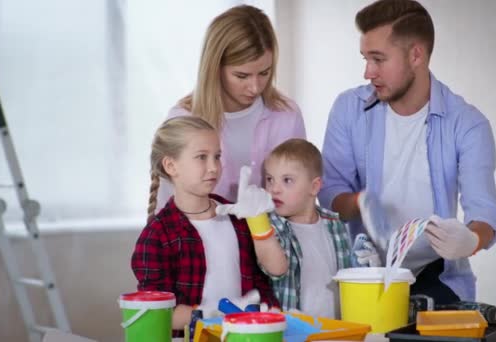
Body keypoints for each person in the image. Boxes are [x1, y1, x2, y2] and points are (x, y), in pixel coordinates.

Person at [319, 0, 496, 304]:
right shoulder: (348, 109)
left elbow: (485, 213)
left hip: (436, 275)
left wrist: (470, 241)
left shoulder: (468, 124)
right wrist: (359, 202)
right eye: (365, 58)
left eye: (378, 59)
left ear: (416, 54)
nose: (367, 72)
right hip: (363, 270)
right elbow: (329, 197)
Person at [131, 116, 283, 333]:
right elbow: (156, 313)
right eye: (201, 157)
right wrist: (210, 314)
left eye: (217, 156)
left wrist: (258, 220)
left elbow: (276, 270)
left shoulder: (237, 215)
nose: (214, 167)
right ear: (171, 165)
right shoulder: (157, 235)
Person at [156, 4, 306, 211]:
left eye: (264, 73)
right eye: (242, 76)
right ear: (215, 68)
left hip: (274, 241)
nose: (255, 87)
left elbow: (300, 200)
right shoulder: (182, 120)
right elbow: (167, 209)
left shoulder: (287, 115)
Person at [260, 138, 379, 318]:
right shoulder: (271, 228)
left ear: (314, 186)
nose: (274, 189)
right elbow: (274, 269)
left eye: (287, 180)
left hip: (336, 329)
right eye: (270, 179)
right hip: (291, 332)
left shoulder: (334, 224)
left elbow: (346, 273)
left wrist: (366, 268)